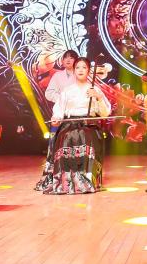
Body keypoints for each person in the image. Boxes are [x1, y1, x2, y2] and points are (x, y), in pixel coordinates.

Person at [35, 58, 112, 194]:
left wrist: (98, 97)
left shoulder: (95, 90)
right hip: (69, 124)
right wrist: (56, 118)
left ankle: (86, 180)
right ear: (74, 71)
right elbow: (59, 110)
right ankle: (65, 181)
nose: (80, 70)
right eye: (78, 68)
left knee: (86, 136)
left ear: (88, 71)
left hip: (88, 125)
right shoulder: (67, 91)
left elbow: (105, 113)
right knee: (65, 137)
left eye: (84, 67)